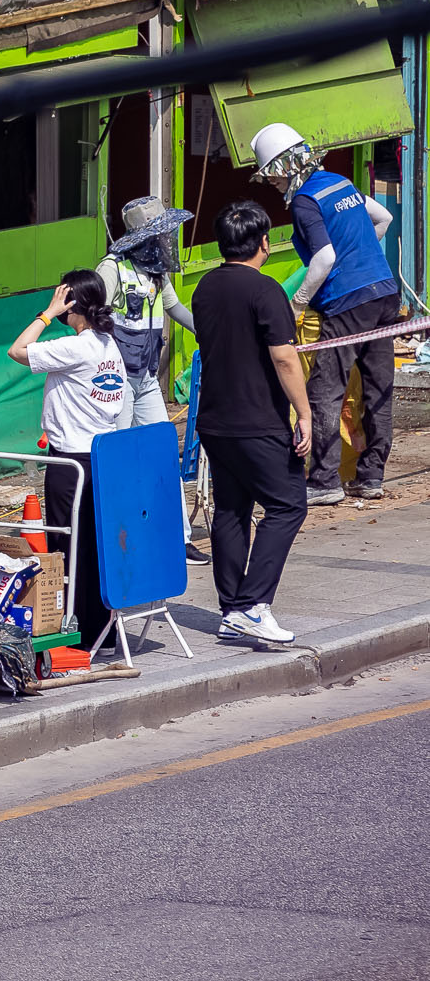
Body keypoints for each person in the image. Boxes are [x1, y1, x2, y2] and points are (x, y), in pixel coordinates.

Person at [256, 121, 399, 505]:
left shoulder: (305, 201)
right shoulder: (340, 181)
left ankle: (323, 482)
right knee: (378, 388)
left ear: (286, 168)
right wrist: (362, 258)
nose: (273, 185)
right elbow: (382, 218)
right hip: (384, 292)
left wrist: (298, 302)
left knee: (324, 391)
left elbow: (324, 257)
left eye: (273, 177)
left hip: (346, 302)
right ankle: (371, 478)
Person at [190, 200, 312, 644]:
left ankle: (231, 610)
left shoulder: (204, 288)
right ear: (263, 242)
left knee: (231, 509)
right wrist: (306, 413)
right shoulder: (266, 291)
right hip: (258, 420)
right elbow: (284, 357)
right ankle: (253, 604)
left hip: (216, 420)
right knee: (288, 505)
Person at [10, 271, 130, 647]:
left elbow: (17, 350)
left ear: (72, 306)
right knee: (95, 546)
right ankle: (102, 630)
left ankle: (77, 632)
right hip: (102, 456)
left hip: (71, 462)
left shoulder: (75, 347)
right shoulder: (108, 344)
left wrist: (46, 314)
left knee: (68, 547)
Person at [98, 196, 207, 563]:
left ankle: (178, 536)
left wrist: (209, 332)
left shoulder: (157, 272)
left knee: (162, 454)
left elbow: (174, 308)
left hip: (146, 379)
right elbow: (91, 311)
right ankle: (119, 537)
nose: (166, 241)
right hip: (118, 382)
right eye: (160, 234)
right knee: (121, 456)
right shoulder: (114, 268)